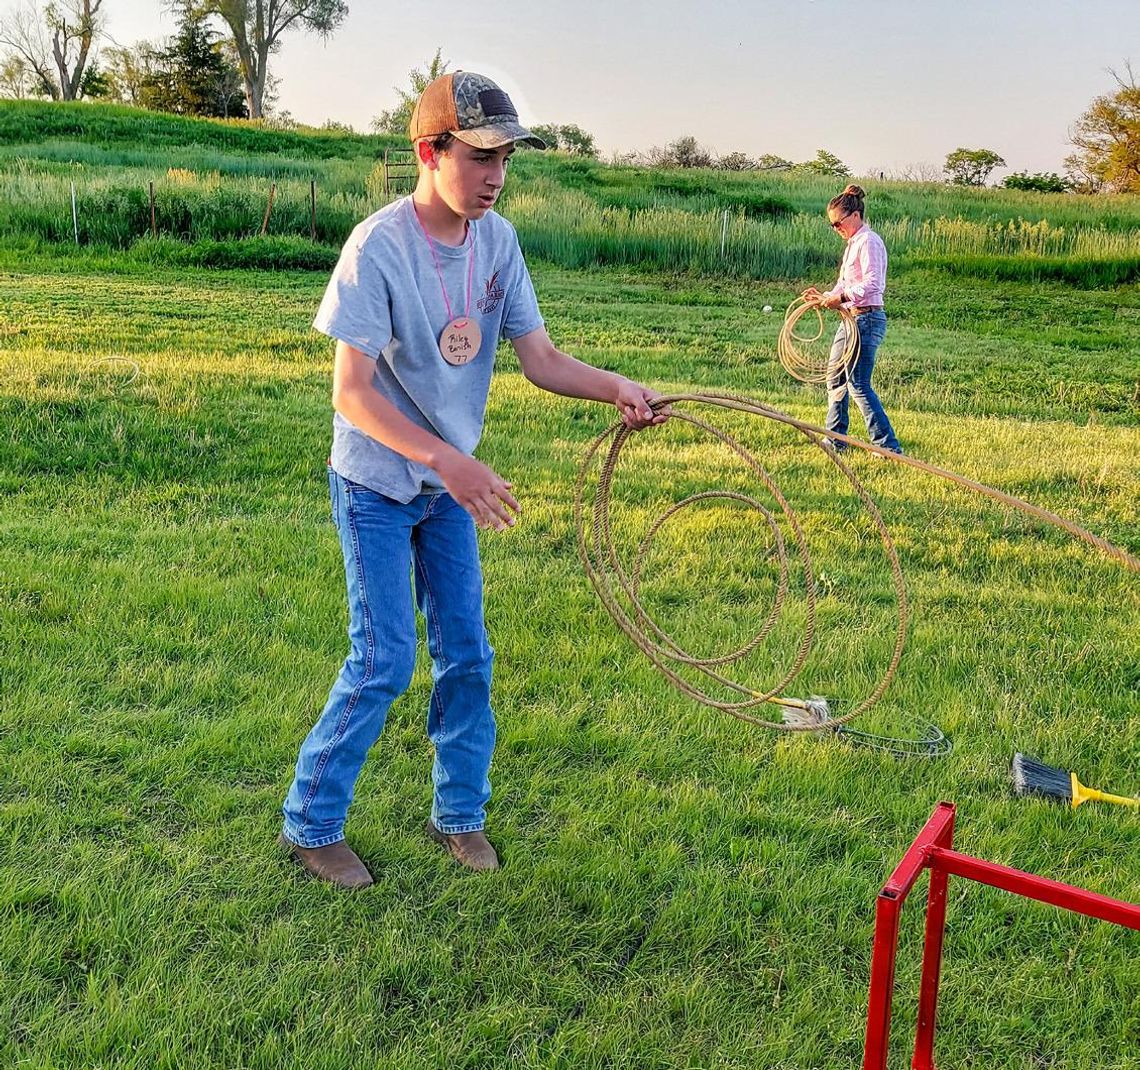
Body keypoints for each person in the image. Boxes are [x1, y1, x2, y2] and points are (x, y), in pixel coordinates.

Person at [279, 71, 667, 890]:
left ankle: (458, 814)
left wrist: (619, 388)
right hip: (378, 484)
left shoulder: (500, 244)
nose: (496, 175)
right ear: (431, 151)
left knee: (468, 654)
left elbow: (542, 359)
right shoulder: (377, 247)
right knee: (383, 658)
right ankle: (311, 823)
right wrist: (446, 460)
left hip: (444, 492)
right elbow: (350, 393)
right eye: (481, 155)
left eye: (507, 159)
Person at [802, 184, 902, 455]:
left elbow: (872, 285)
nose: (836, 228)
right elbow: (843, 284)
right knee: (835, 377)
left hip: (866, 319)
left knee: (857, 383)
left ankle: (887, 447)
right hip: (852, 319)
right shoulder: (853, 245)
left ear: (855, 215)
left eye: (838, 223)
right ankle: (835, 440)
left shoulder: (869, 242)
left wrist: (841, 297)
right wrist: (824, 297)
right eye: (832, 225)